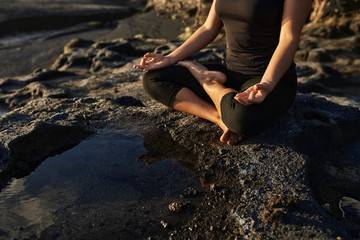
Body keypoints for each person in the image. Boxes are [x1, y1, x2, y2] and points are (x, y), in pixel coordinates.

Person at [133, 0, 312, 145]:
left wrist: (267, 84)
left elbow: (289, 38)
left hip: (270, 78)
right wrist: (170, 58)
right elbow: (208, 28)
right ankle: (219, 117)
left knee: (242, 119)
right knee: (154, 78)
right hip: (230, 72)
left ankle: (206, 79)